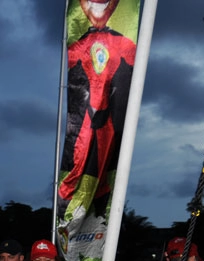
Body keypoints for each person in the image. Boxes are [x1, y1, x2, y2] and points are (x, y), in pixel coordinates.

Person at [57, 0, 135, 235]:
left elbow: (131, 70)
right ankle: (71, 222)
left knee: (104, 169)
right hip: (86, 125)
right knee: (80, 167)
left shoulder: (125, 43)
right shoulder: (77, 47)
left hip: (110, 124)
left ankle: (99, 221)